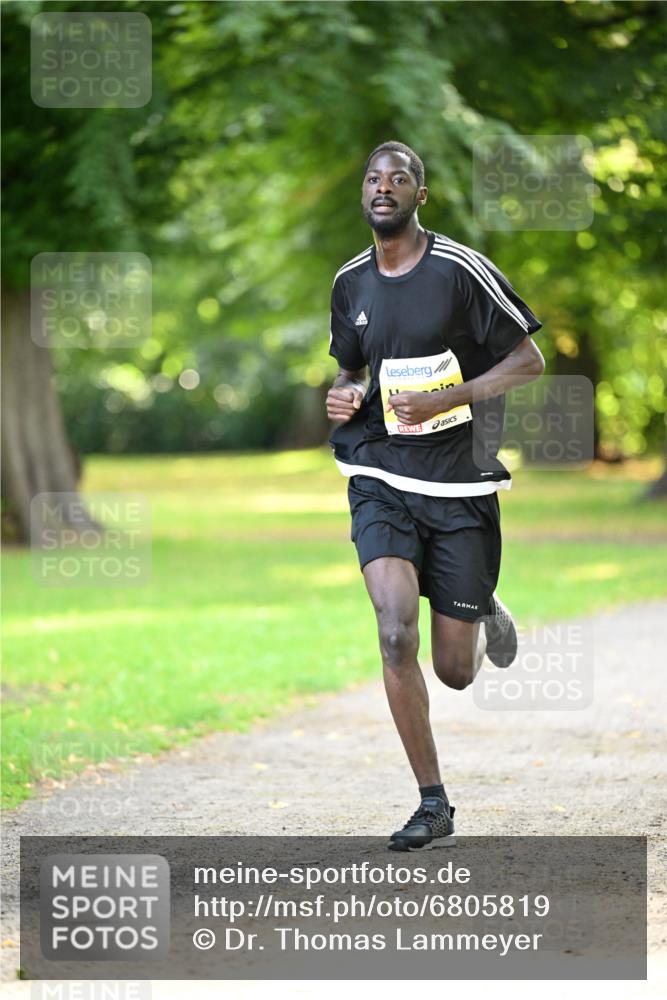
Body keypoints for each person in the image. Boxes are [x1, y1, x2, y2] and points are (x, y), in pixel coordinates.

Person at [326, 140, 545, 851]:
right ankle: (432, 802)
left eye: (398, 179)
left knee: (453, 672)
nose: (381, 188)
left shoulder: (458, 270)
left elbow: (527, 360)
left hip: (456, 478)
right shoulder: (350, 281)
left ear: (420, 195)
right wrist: (346, 393)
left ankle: (478, 604)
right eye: (372, 178)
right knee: (393, 631)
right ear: (363, 195)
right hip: (379, 473)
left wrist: (453, 394)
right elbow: (357, 369)